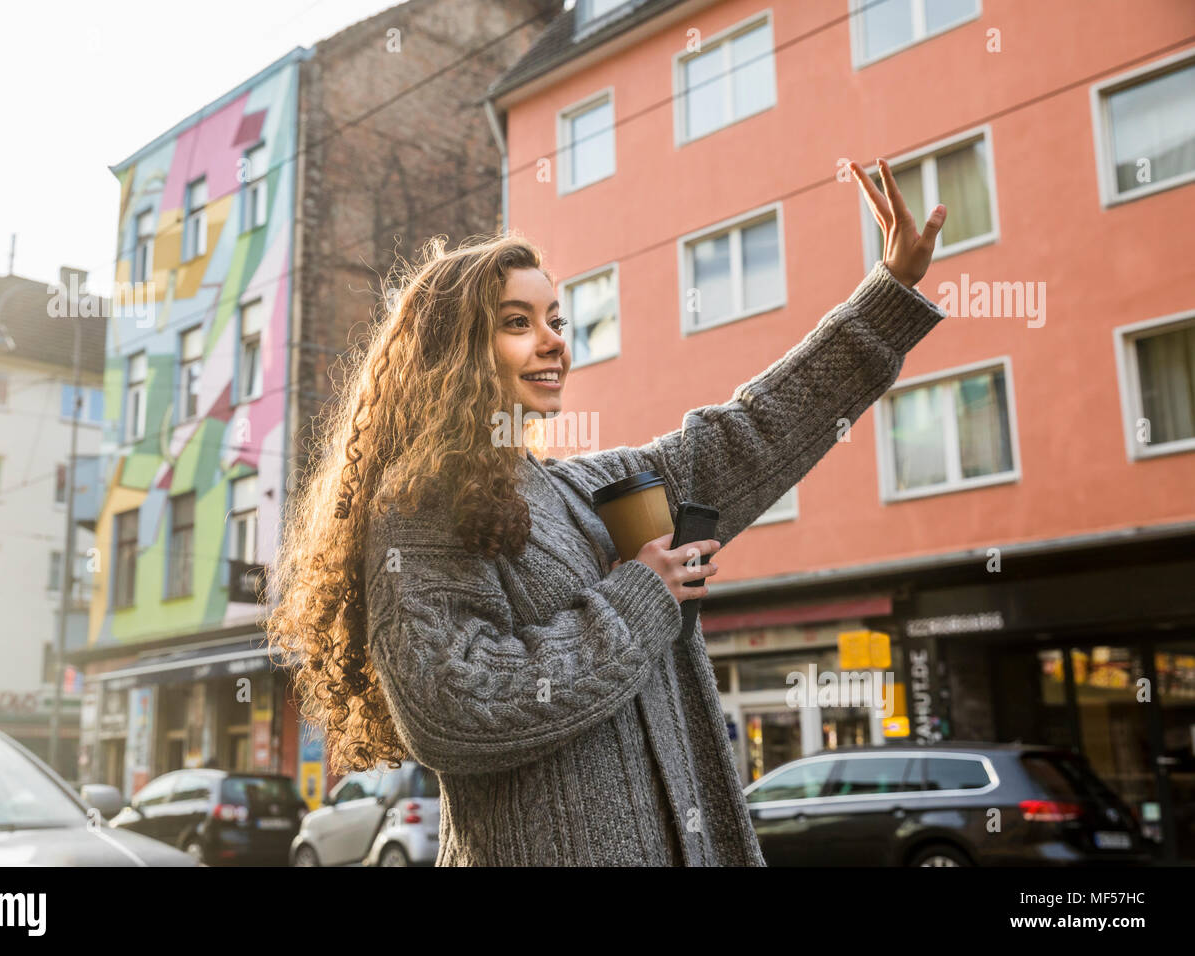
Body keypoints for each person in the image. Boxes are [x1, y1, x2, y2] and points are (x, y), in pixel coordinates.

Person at [265, 160, 948, 866]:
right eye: (517, 323)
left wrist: (886, 299)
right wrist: (640, 596)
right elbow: (452, 708)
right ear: (453, 352)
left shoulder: (590, 486)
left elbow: (744, 435)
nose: (555, 339)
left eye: (556, 320)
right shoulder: (418, 506)